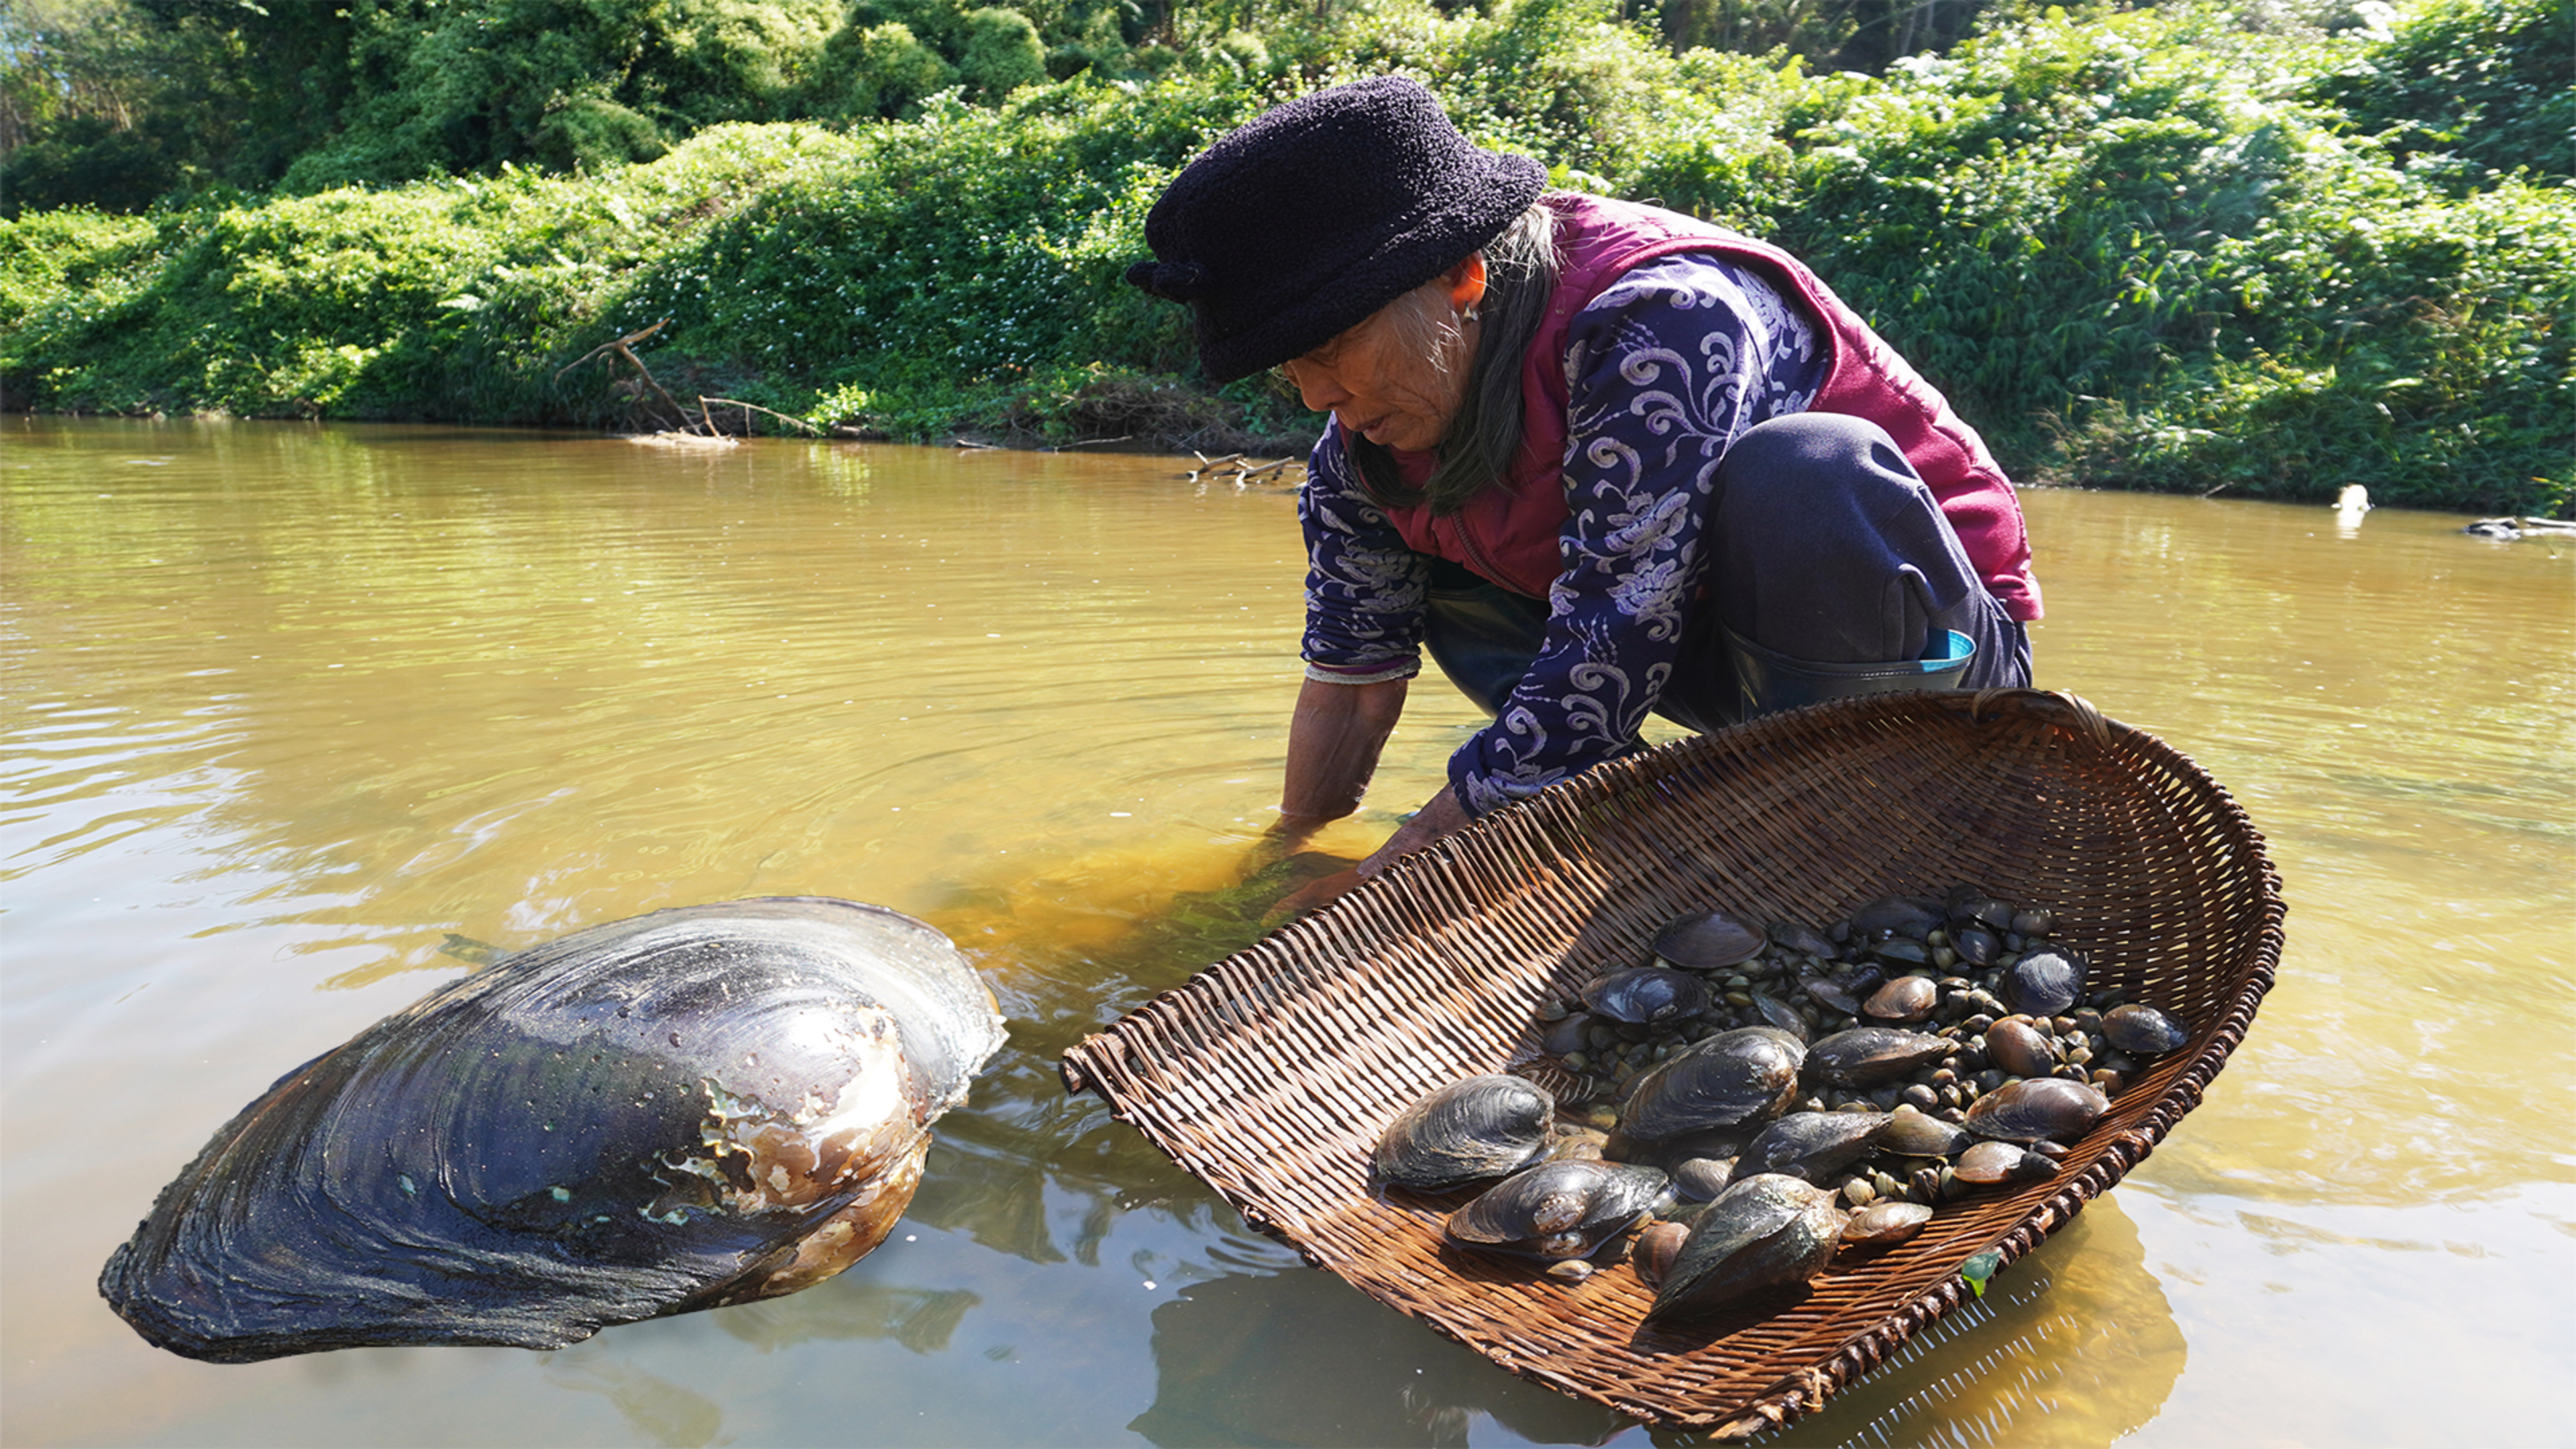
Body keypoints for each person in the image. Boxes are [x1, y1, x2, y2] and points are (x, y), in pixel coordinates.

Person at [1124, 76, 2040, 886]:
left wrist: (1384, 884)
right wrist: (1286, 855)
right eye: (1292, 371)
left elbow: (1619, 624)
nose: (1320, 396)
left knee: (1803, 469)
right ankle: (1689, 821)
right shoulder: (1359, 455)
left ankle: (1834, 838)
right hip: (1715, 660)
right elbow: (1354, 681)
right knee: (1420, 535)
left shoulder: (1662, 321)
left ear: (1461, 275)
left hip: (1923, 656)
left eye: (1329, 349)